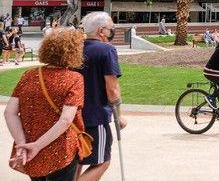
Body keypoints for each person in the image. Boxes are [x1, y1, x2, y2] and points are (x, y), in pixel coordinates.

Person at [4, 29, 86, 180]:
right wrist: (37, 145)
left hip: (29, 145)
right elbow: (65, 120)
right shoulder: (74, 78)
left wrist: (22, 143)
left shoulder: (29, 75)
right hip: (60, 148)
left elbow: (9, 112)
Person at [78, 12, 127, 181]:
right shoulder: (107, 50)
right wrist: (119, 116)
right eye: (110, 28)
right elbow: (112, 88)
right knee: (102, 161)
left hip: (73, 116)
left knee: (77, 160)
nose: (112, 31)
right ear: (101, 31)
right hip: (95, 116)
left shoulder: (75, 48)